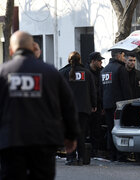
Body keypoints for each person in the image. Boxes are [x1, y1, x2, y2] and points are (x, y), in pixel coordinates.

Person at [0, 31, 80, 180]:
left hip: (11, 141)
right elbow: (68, 105)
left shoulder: (3, 73)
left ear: (11, 50)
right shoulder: (50, 72)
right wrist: (71, 135)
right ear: (33, 48)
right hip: (44, 140)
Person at [59, 51, 97, 165]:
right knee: (81, 133)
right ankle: (81, 158)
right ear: (80, 60)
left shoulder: (63, 73)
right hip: (84, 108)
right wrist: (94, 105)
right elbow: (92, 90)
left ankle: (71, 158)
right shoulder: (87, 73)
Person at [100, 49, 132, 161]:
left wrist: (102, 105)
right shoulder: (120, 68)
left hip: (107, 104)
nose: (124, 58)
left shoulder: (104, 70)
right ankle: (121, 155)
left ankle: (112, 154)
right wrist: (129, 103)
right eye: (123, 55)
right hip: (119, 105)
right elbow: (126, 88)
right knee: (119, 129)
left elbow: (101, 90)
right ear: (118, 56)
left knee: (110, 129)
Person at [87, 52, 105, 156]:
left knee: (96, 129)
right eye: (99, 60)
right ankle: (87, 149)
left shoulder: (102, 72)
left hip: (98, 105)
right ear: (93, 61)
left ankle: (95, 150)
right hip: (88, 105)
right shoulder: (86, 72)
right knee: (87, 129)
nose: (101, 62)